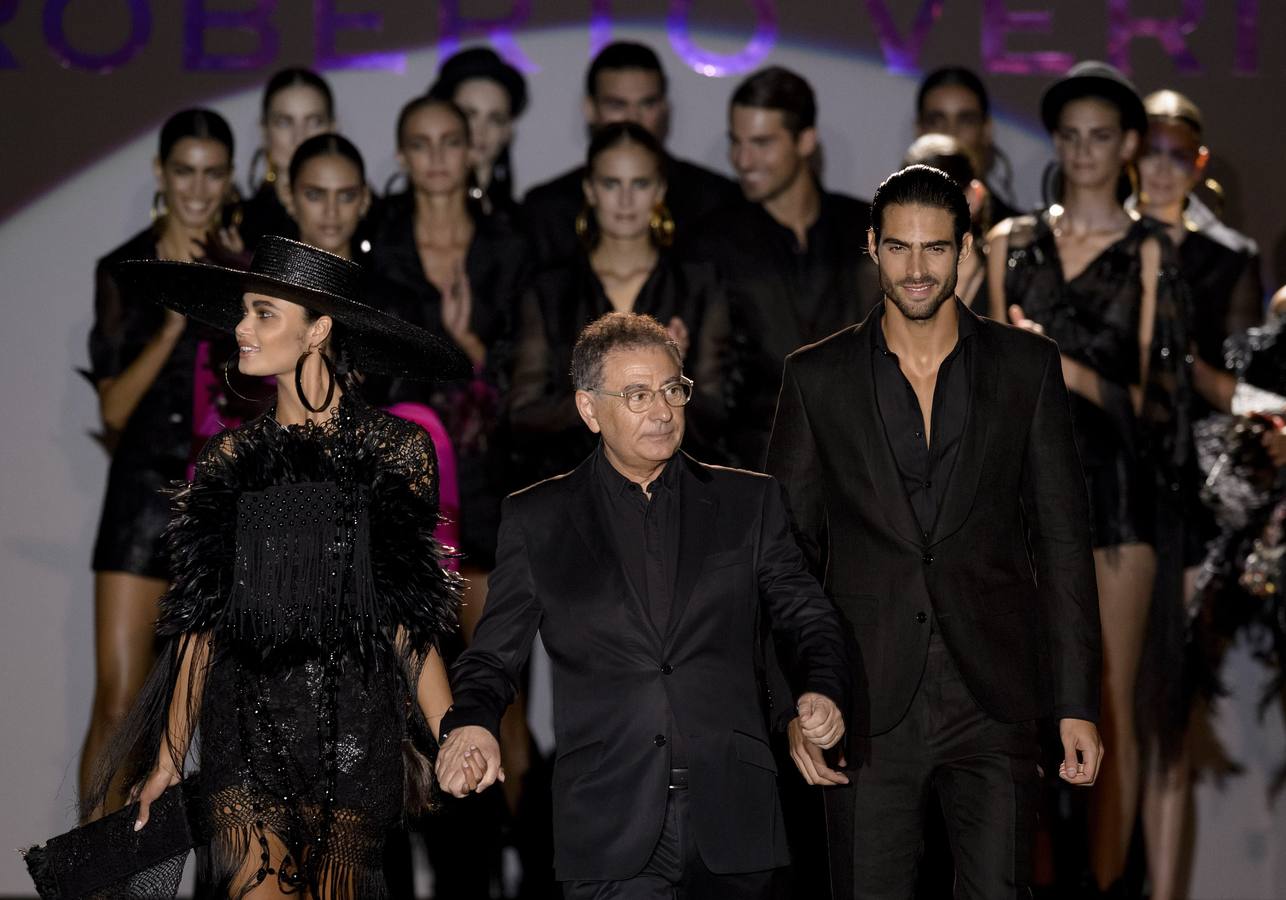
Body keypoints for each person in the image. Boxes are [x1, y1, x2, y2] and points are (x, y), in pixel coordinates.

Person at [81, 235, 470, 898]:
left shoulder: (399, 452)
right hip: (246, 737)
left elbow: (409, 618)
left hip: (355, 734)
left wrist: (452, 731)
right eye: (243, 311)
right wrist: (170, 759)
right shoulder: (227, 460)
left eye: (263, 313)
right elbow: (199, 626)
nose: (239, 328)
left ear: (318, 330)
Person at [767, 164, 1103, 897]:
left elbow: (1063, 543)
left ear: (965, 250)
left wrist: (1075, 700)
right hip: (864, 698)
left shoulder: (1027, 367)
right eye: (899, 248)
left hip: (997, 696)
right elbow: (785, 558)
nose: (917, 270)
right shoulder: (816, 377)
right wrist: (797, 699)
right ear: (872, 247)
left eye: (936, 250)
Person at [435, 312, 851, 899]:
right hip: (608, 825)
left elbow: (806, 615)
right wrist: (472, 722)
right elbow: (492, 658)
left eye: (671, 390)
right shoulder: (539, 519)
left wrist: (820, 686)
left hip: (735, 818)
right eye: (635, 395)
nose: (661, 411)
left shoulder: (748, 502)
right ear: (588, 409)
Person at [987, 61, 1191, 893]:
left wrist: (1053, 364)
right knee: (1018, 705)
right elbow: (983, 376)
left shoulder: (1153, 253)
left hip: (1111, 494)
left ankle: (1108, 886)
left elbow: (1155, 403)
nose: (1081, 152)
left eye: (1099, 136)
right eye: (1068, 136)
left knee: (1105, 704)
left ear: (1130, 145)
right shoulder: (1013, 242)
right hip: (1016, 497)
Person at [80, 107, 251, 815]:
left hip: (221, 501)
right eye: (185, 171)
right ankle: (95, 877)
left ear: (229, 177)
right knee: (119, 702)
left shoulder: (244, 273)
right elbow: (114, 410)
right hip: (140, 497)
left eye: (213, 173)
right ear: (160, 174)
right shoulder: (125, 269)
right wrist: (177, 318)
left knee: (213, 716)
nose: (198, 188)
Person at [1131, 88, 1265, 900]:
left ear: (1200, 162)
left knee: (1170, 717)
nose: (1160, 165)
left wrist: (1175, 366)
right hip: (1100, 486)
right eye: (1150, 148)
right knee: (1099, 713)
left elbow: (1247, 391)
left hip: (1188, 493)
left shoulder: (1229, 257)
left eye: (1178, 151)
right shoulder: (1089, 243)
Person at [508, 121, 730, 486]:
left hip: (678, 490)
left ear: (659, 189)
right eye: (612, 184)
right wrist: (614, 396)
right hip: (569, 489)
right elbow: (521, 416)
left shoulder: (698, 284)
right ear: (590, 190)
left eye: (639, 184)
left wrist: (674, 376)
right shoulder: (550, 290)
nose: (626, 200)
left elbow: (719, 415)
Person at [369, 94, 529, 574]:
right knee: (405, 642)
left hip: (489, 467)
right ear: (401, 155)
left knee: (488, 641)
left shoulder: (509, 245)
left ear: (472, 151)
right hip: (394, 467)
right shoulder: (376, 243)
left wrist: (473, 345)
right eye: (421, 144)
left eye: (450, 143)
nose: (437, 158)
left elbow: (536, 367)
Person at [693, 65, 880, 470]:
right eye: (736, 142)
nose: (743, 159)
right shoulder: (711, 243)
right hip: (754, 473)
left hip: (863, 472)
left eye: (761, 142)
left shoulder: (865, 229)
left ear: (806, 140)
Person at [522, 41, 740, 269]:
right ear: (590, 109)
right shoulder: (548, 210)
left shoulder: (715, 201)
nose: (633, 118)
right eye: (617, 105)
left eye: (648, 104)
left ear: (665, 107)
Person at [241, 67, 336, 250]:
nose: (299, 138)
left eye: (314, 122)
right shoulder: (238, 224)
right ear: (264, 130)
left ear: (332, 128)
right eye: (284, 122)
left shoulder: (370, 220)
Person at [429, 46, 528, 222]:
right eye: (469, 115)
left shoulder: (524, 223)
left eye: (495, 119)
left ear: (507, 132)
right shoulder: (396, 220)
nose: (480, 131)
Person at [915, 65, 1020, 221]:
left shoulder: (1016, 235)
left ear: (986, 131)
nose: (950, 134)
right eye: (936, 121)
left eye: (966, 121)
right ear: (919, 130)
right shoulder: (886, 224)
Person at [903, 132, 991, 310]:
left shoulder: (1005, 281)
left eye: (943, 199)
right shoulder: (890, 281)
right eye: (914, 199)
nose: (927, 215)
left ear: (975, 197)